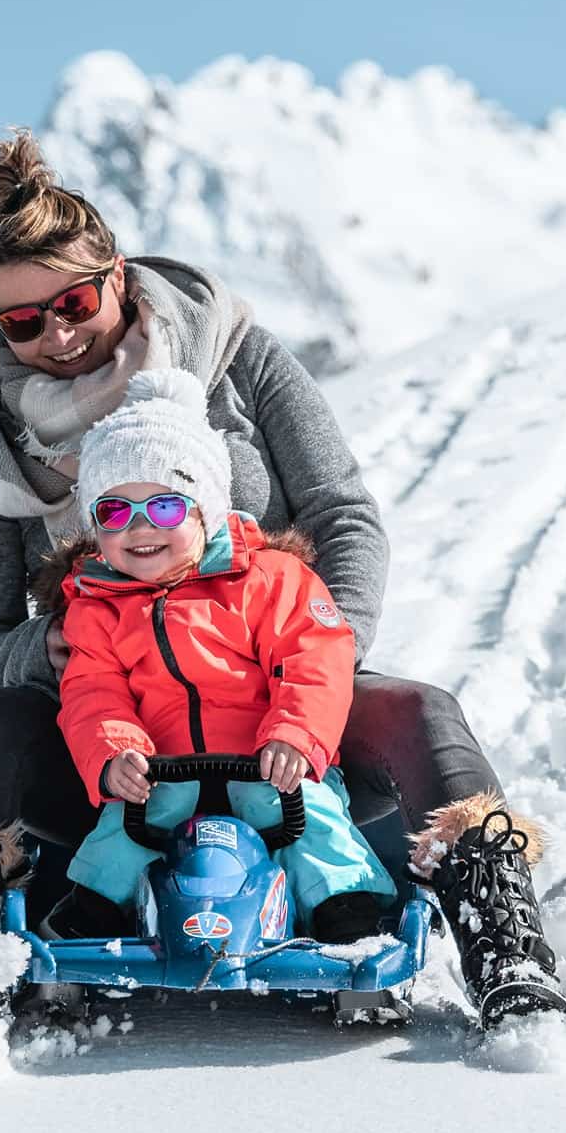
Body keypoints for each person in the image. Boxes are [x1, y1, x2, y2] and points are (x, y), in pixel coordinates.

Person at [0, 128, 566, 1028]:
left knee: (420, 711)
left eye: (75, 301)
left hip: (288, 715)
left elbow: (341, 511)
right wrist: (53, 650)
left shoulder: (232, 353)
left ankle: (503, 943)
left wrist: (312, 650)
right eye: (22, 320)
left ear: (119, 278)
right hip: (114, 742)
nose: (56, 333)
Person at [38, 369, 397, 944]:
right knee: (125, 831)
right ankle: (94, 913)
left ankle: (347, 909)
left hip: (264, 760)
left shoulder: (271, 580)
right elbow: (92, 692)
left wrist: (296, 738)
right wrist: (115, 754)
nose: (139, 530)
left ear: (205, 509)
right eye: (114, 513)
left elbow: (313, 660)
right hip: (163, 768)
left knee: (309, 819)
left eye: (164, 509)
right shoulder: (96, 604)